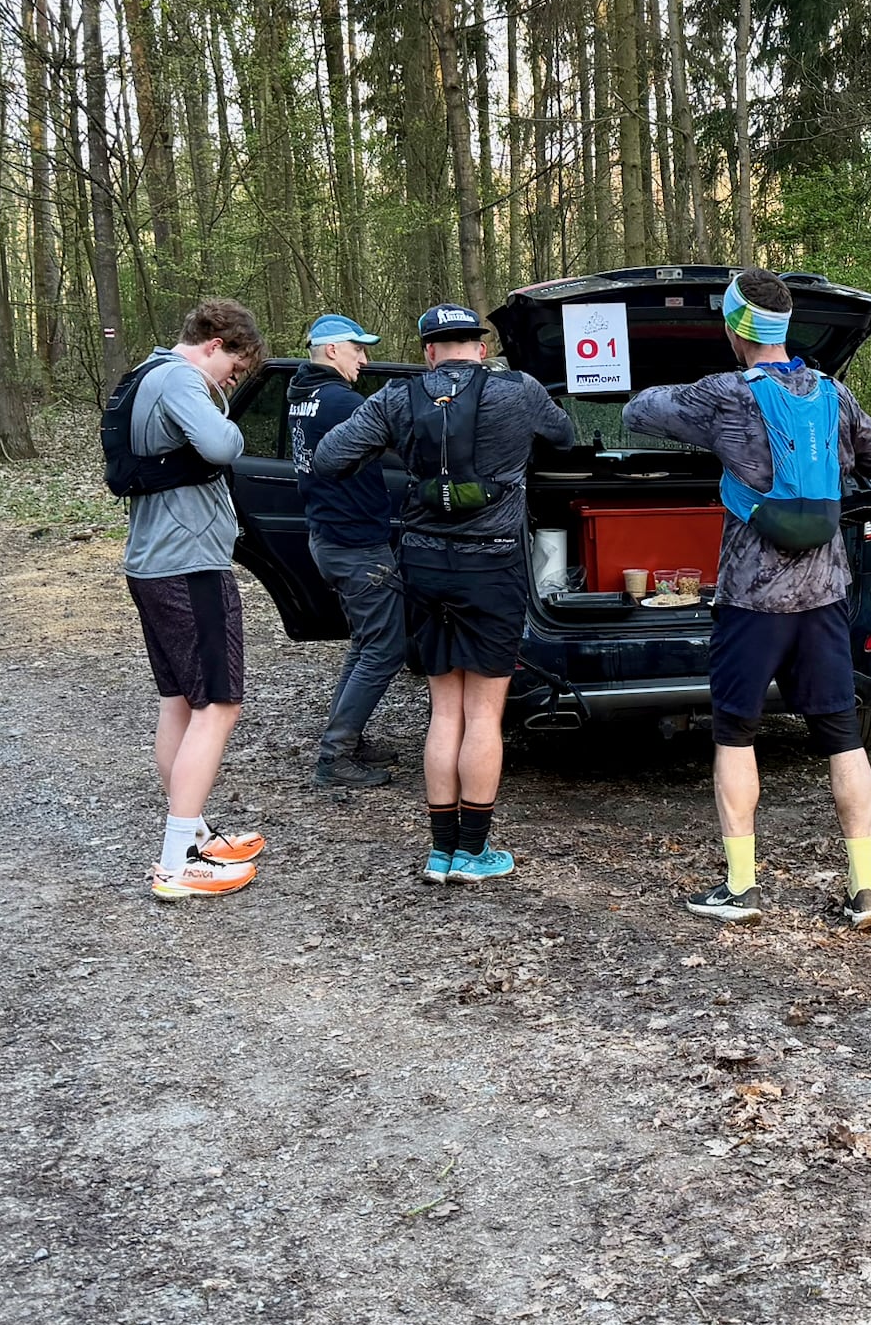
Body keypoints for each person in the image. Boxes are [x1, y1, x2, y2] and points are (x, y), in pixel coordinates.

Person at [625, 268, 871, 931]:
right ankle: (864, 890)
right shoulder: (834, 394)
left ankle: (741, 886)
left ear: (733, 329)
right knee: (842, 738)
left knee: (735, 734)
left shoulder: (725, 394)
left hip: (752, 598)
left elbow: (637, 412)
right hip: (826, 593)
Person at [313, 303, 575, 886]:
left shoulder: (396, 398)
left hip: (424, 566)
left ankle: (440, 853)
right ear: (480, 349)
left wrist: (395, 450)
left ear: (429, 352)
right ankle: (474, 852)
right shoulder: (519, 390)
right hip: (493, 567)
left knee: (445, 708)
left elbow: (330, 457)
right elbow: (565, 436)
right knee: (483, 712)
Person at [117, 297, 270, 900]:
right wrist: (228, 416)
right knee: (219, 705)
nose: (232, 379)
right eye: (234, 368)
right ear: (215, 345)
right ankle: (178, 860)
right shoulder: (181, 378)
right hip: (189, 565)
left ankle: (194, 833)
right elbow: (222, 446)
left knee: (179, 702)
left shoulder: (145, 373)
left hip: (154, 561)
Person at [288, 313, 401, 790]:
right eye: (358, 349)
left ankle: (346, 738)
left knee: (365, 643)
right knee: (386, 647)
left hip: (327, 537)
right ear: (332, 350)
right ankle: (335, 755)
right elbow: (401, 442)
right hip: (357, 545)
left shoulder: (301, 399)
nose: (364, 359)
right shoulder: (343, 403)